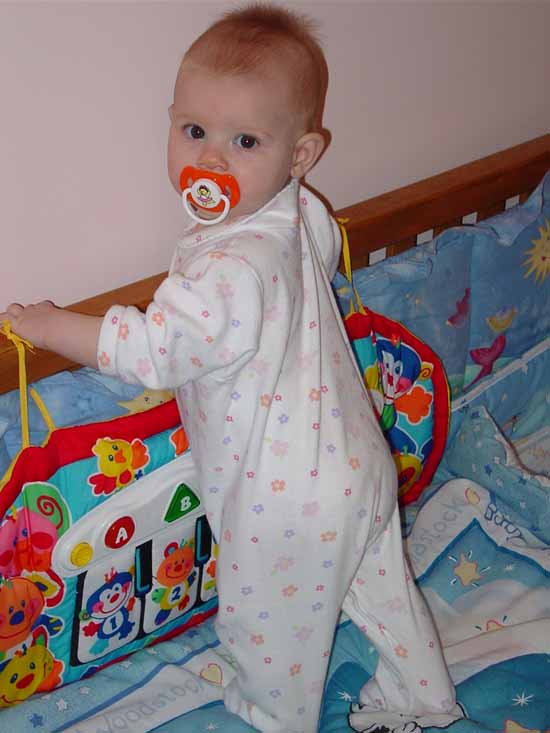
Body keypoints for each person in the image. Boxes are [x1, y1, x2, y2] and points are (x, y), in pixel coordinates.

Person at [1, 4, 459, 732]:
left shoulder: (225, 269)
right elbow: (322, 259)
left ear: (300, 154)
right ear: (171, 122)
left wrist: (55, 325)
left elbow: (154, 349)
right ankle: (423, 693)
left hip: (286, 510)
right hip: (356, 464)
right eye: (194, 132)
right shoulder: (298, 213)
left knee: (269, 641)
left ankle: (270, 719)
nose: (210, 161)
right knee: (384, 593)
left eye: (244, 140)